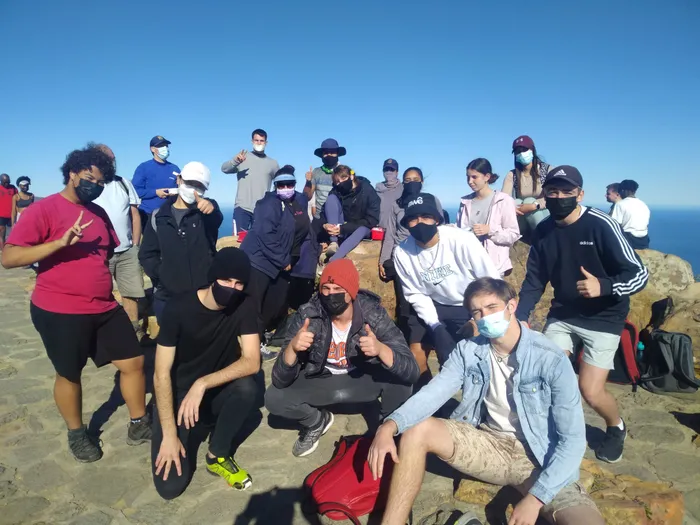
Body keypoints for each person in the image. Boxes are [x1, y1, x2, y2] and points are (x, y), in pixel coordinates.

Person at [369, 278, 603, 525]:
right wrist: (390, 425)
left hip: (539, 457)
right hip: (490, 444)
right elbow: (434, 393)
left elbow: (573, 441)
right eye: (477, 312)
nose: (485, 316)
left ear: (511, 306)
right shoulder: (468, 351)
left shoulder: (550, 358)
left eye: (492, 307)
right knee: (417, 431)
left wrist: (535, 499)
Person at [1, 145, 151, 463]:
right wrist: (58, 243)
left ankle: (138, 424)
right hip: (59, 310)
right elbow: (9, 257)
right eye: (89, 178)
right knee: (69, 374)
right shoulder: (43, 210)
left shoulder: (98, 213)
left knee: (134, 363)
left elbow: (106, 253)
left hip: (104, 307)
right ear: (72, 173)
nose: (94, 186)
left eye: (101, 183)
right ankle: (77, 433)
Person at [516, 165, 649, 464]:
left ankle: (616, 426)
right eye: (553, 191)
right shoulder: (543, 231)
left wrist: (604, 286)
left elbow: (639, 274)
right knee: (547, 375)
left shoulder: (601, 224)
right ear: (544, 195)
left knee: (590, 390)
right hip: (563, 314)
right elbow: (534, 280)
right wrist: (521, 315)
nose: (559, 197)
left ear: (580, 194)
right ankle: (560, 430)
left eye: (567, 191)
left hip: (605, 317)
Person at [265, 259, 419, 457]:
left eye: (338, 288)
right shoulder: (307, 315)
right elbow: (279, 379)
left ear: (351, 291)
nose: (331, 294)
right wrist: (292, 349)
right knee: (274, 398)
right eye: (326, 288)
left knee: (401, 381)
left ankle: (385, 429)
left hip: (362, 380)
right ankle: (316, 421)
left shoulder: (373, 314)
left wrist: (381, 349)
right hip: (321, 379)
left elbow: (412, 371)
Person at [152, 247, 260, 499]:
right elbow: (160, 374)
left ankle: (217, 454)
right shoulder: (177, 308)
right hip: (178, 394)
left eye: (239, 283)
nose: (232, 288)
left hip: (212, 389)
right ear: (213, 277)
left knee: (247, 388)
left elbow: (253, 361)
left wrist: (202, 384)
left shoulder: (244, 305)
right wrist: (169, 434)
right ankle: (173, 427)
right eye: (226, 280)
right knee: (170, 487)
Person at [393, 193, 501, 376]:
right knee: (416, 353)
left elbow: (490, 281)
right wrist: (436, 326)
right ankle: (426, 389)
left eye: (426, 216)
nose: (419, 223)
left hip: (468, 304)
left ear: (437, 219)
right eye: (413, 219)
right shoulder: (402, 252)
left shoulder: (462, 240)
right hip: (431, 304)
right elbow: (416, 293)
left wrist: (476, 319)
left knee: (472, 356)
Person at [139, 161, 223, 322]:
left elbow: (216, 219)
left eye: (199, 186)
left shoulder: (206, 213)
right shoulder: (158, 216)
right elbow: (147, 254)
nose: (193, 189)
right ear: (178, 179)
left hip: (203, 296)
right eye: (189, 183)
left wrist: (210, 208)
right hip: (167, 298)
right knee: (170, 338)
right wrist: (162, 275)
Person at [241, 165, 304, 361]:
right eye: (281, 185)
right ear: (275, 186)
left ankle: (260, 336)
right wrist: (283, 259)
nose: (285, 188)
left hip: (272, 264)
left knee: (274, 303)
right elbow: (265, 234)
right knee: (254, 305)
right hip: (257, 261)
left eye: (289, 184)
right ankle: (252, 347)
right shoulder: (269, 204)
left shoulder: (291, 203)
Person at [90, 144, 145, 339]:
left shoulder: (123, 183)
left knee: (131, 293)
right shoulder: (89, 185)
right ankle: (103, 333)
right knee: (99, 293)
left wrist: (135, 244)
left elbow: (134, 214)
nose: (112, 163)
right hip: (99, 251)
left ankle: (133, 332)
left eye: (113, 159)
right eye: (108, 159)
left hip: (127, 250)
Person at [378, 167, 445, 322]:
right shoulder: (397, 204)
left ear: (422, 181)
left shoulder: (431, 200)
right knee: (405, 302)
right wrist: (383, 259)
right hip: (403, 256)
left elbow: (441, 227)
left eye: (415, 180)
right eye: (407, 180)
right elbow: (390, 235)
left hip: (427, 254)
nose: (412, 183)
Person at [457, 158, 520, 276]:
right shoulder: (465, 202)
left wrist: (490, 230)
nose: (470, 181)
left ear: (487, 177)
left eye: (474, 177)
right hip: (468, 266)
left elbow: (513, 234)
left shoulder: (503, 200)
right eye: (468, 177)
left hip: (494, 267)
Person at [221, 129, 280, 232]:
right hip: (242, 208)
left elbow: (279, 183)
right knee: (238, 240)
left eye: (261, 141)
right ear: (252, 141)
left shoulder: (273, 164)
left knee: (260, 240)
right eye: (256, 140)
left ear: (266, 143)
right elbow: (224, 169)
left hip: (262, 209)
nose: (259, 143)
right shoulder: (242, 157)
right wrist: (235, 161)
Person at [319, 165, 380, 263]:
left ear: (351, 176)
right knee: (331, 198)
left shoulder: (367, 190)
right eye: (337, 181)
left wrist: (344, 228)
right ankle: (333, 243)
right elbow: (324, 211)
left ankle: (334, 260)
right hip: (341, 226)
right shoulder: (337, 190)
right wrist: (324, 224)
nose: (340, 183)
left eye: (343, 178)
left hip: (362, 226)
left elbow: (372, 220)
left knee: (362, 229)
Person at [501, 135, 553, 240]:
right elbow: (503, 198)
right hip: (522, 215)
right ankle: (517, 236)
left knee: (529, 200)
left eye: (524, 150)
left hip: (543, 212)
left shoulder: (547, 170)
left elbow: (553, 196)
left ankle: (544, 237)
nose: (521, 153)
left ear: (532, 150)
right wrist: (511, 208)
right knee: (515, 202)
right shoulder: (513, 175)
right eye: (517, 151)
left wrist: (534, 205)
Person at [132, 135, 181, 226]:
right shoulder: (143, 167)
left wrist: (180, 187)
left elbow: (181, 190)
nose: (165, 148)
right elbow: (135, 191)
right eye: (161, 146)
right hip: (148, 215)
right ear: (152, 149)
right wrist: (156, 192)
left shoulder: (175, 168)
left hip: (170, 215)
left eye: (166, 145)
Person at [304, 138, 346, 220]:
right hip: (319, 218)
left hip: (338, 218)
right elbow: (307, 197)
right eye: (326, 153)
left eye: (332, 152)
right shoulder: (316, 172)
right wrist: (308, 182)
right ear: (322, 155)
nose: (329, 155)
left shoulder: (344, 172)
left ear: (337, 154)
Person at [611, 180, 650, 250]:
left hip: (629, 240)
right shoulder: (643, 205)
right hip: (644, 240)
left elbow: (614, 225)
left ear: (623, 190)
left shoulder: (620, 204)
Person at [376, 158, 403, 228]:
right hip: (378, 231)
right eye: (386, 169)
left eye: (392, 170)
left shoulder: (403, 190)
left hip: (397, 232)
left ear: (397, 172)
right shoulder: (377, 190)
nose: (389, 172)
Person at [0, 173, 17, 250]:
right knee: (2, 234)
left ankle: (11, 250)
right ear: (1, 181)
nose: (7, 184)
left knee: (12, 234)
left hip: (12, 215)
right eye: (5, 182)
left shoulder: (13, 188)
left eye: (8, 182)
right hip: (1, 215)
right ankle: (3, 251)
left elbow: (18, 198)